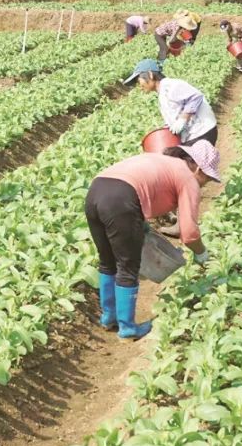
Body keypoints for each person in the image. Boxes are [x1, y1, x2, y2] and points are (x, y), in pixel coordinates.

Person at [85, 141, 219, 339]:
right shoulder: (188, 178)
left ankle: (108, 317)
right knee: (128, 265)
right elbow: (189, 232)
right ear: (198, 168)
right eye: (206, 179)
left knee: (107, 261)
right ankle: (127, 327)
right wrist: (202, 254)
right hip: (121, 199)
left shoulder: (165, 162)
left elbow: (141, 189)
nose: (204, 184)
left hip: (95, 192)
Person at [124, 59, 217, 145]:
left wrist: (183, 119)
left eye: (138, 80)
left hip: (202, 132)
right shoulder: (162, 93)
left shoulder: (170, 86)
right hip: (195, 134)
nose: (139, 85)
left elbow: (196, 96)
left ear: (150, 74)